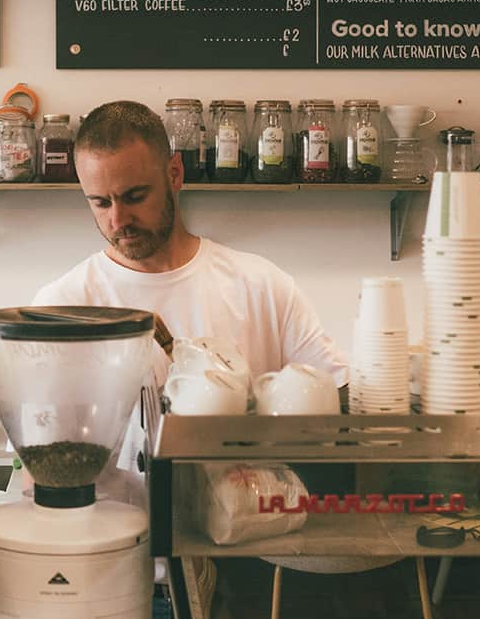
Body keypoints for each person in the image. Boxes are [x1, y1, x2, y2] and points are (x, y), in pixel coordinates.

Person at [32, 100, 349, 501]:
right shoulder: (64, 306)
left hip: (246, 546)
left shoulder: (263, 286)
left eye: (134, 196)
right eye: (100, 202)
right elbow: (39, 470)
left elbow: (338, 407)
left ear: (175, 174)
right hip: (121, 549)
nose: (118, 220)